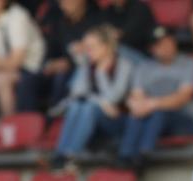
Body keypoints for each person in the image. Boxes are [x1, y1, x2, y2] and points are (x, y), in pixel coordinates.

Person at [117, 27, 193, 170]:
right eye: (160, 45)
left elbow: (182, 98)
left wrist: (151, 104)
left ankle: (142, 155)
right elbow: (136, 95)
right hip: (154, 121)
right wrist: (137, 106)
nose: (166, 47)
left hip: (186, 120)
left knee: (158, 111)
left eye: (169, 42)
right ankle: (126, 156)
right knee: (136, 113)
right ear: (152, 49)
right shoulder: (144, 67)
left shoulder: (189, 64)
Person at [50, 25, 133, 171]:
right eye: (86, 47)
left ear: (106, 46)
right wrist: (100, 101)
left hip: (118, 121)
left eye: (92, 47)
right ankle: (61, 153)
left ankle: (72, 154)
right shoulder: (87, 65)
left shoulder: (124, 65)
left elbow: (114, 98)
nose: (87, 52)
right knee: (76, 106)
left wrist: (101, 74)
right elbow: (77, 93)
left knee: (88, 107)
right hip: (95, 117)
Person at [40, 0, 104, 107]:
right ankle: (25, 118)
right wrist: (50, 64)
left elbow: (99, 53)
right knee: (31, 78)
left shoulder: (97, 20)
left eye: (68, 1)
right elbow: (52, 49)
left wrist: (69, 63)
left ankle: (56, 116)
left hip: (86, 68)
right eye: (61, 2)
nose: (63, 4)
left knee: (61, 78)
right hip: (61, 67)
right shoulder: (60, 22)